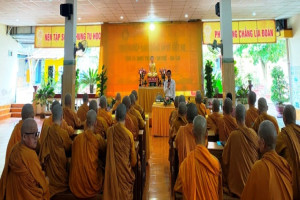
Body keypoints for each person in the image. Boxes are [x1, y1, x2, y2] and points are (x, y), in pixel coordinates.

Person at [174, 116, 223, 200]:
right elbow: (219, 192)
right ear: (207, 134)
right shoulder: (215, 163)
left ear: (192, 133)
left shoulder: (186, 164)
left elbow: (178, 189)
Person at [241, 120, 293, 200]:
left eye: (258, 137)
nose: (257, 141)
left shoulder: (258, 167)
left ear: (262, 142)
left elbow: (247, 196)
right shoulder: (285, 164)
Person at [0, 118, 50, 200]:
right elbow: (41, 181)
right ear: (24, 136)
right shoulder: (29, 155)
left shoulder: (14, 148)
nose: (36, 138)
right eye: (33, 135)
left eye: (37, 134)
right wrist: (46, 181)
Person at [222, 104, 259, 197]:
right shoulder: (253, 134)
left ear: (235, 117)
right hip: (252, 183)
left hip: (236, 188)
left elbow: (225, 159)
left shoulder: (233, 135)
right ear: (245, 116)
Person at [69, 110, 106, 198]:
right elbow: (105, 150)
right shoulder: (97, 139)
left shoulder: (77, 139)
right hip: (92, 183)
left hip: (76, 183)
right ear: (95, 123)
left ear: (85, 122)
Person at [104, 104, 137, 200]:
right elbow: (133, 161)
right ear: (126, 116)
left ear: (116, 116)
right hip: (125, 176)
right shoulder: (129, 135)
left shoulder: (109, 132)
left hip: (112, 175)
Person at [39, 104, 72, 198]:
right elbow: (69, 147)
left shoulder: (46, 131)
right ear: (62, 117)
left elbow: (41, 145)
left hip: (48, 176)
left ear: (52, 116)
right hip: (60, 178)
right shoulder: (63, 133)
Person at [276, 105, 300, 200]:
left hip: (292, 185)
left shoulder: (282, 137)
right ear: (295, 117)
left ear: (284, 119)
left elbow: (271, 154)